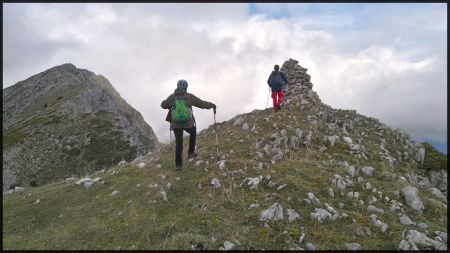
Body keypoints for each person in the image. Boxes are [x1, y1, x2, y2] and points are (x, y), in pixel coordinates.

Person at [161, 79, 216, 171]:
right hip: (188, 123)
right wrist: (212, 105)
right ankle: (191, 153)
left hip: (176, 124)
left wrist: (168, 105)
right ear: (186, 87)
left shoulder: (172, 97)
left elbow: (163, 105)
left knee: (179, 144)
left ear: (177, 86)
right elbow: (201, 103)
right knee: (193, 132)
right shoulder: (189, 96)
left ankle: (178, 165)